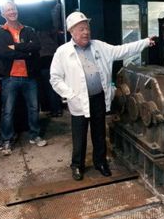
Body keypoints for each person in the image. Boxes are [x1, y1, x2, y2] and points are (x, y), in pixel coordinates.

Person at [50, 11, 155, 181]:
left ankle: (100, 162)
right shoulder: (62, 52)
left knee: (99, 133)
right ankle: (77, 165)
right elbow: (55, 79)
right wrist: (70, 94)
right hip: (78, 101)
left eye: (87, 28)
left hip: (98, 97)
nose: (86, 32)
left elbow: (122, 50)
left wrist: (144, 42)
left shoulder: (99, 46)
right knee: (79, 135)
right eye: (81, 29)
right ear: (72, 32)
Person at [0, 1, 46, 155]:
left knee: (34, 107)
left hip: (29, 76)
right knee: (8, 111)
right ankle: (7, 140)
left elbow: (36, 46)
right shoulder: (0, 32)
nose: (12, 12)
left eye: (14, 9)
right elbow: (4, 53)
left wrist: (15, 47)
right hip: (10, 77)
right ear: (3, 14)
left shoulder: (28, 29)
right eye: (8, 10)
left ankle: (35, 135)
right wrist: (26, 52)